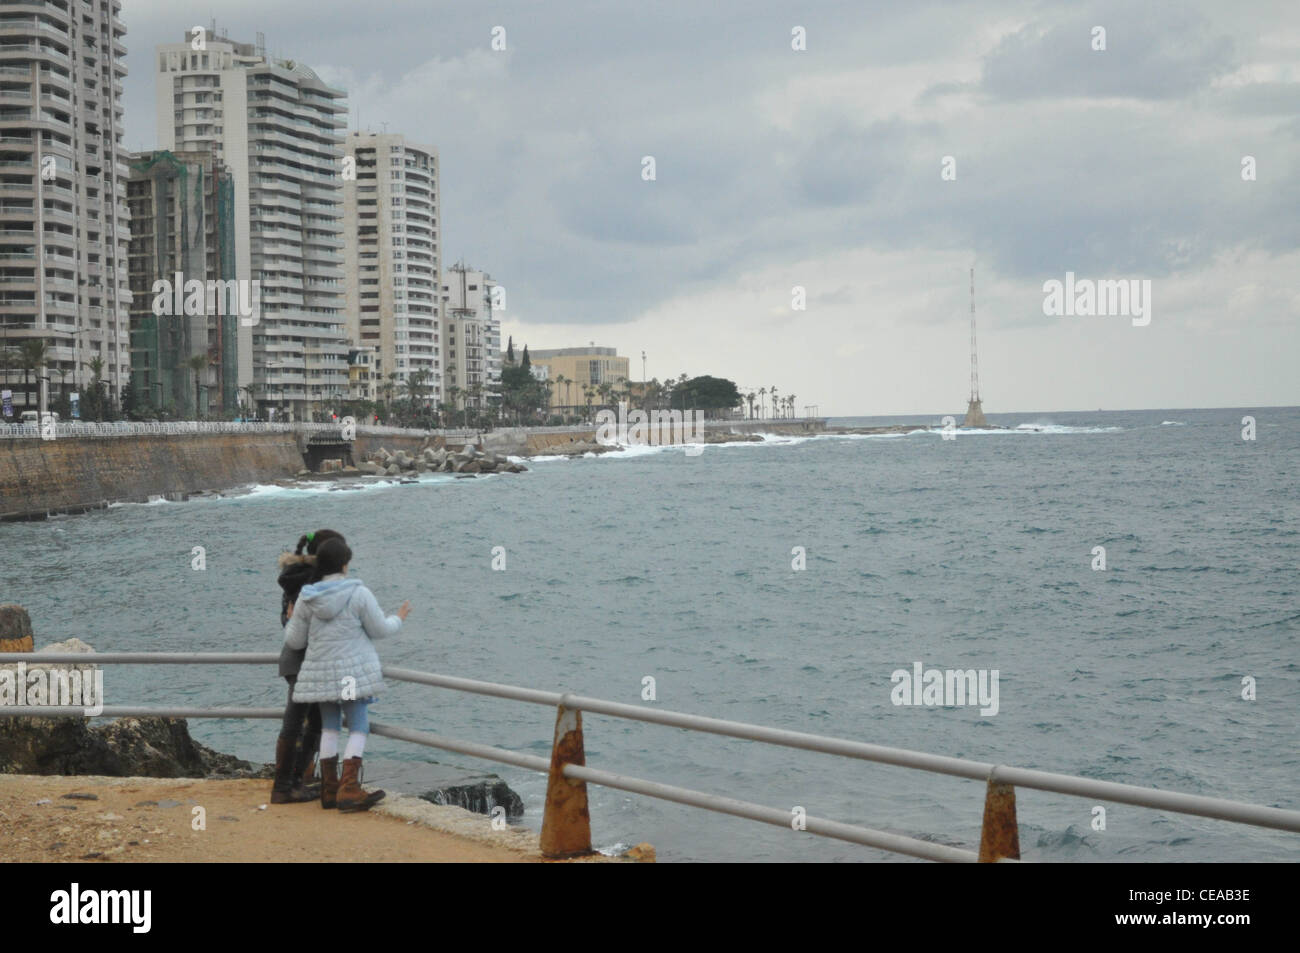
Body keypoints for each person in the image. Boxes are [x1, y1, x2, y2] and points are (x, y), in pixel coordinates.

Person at [283, 537, 411, 811]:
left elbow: (295, 642)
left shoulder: (308, 598)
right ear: (344, 564)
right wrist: (399, 617)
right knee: (358, 726)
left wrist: (291, 616)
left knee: (329, 726)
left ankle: (330, 790)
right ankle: (349, 789)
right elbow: (380, 630)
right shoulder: (358, 593)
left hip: (321, 673)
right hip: (351, 672)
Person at [271, 529, 345, 804]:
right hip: (309, 661)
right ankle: (287, 786)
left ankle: (292, 784)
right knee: (302, 722)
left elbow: (287, 620)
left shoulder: (294, 580)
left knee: (307, 721)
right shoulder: (315, 583)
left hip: (294, 659)